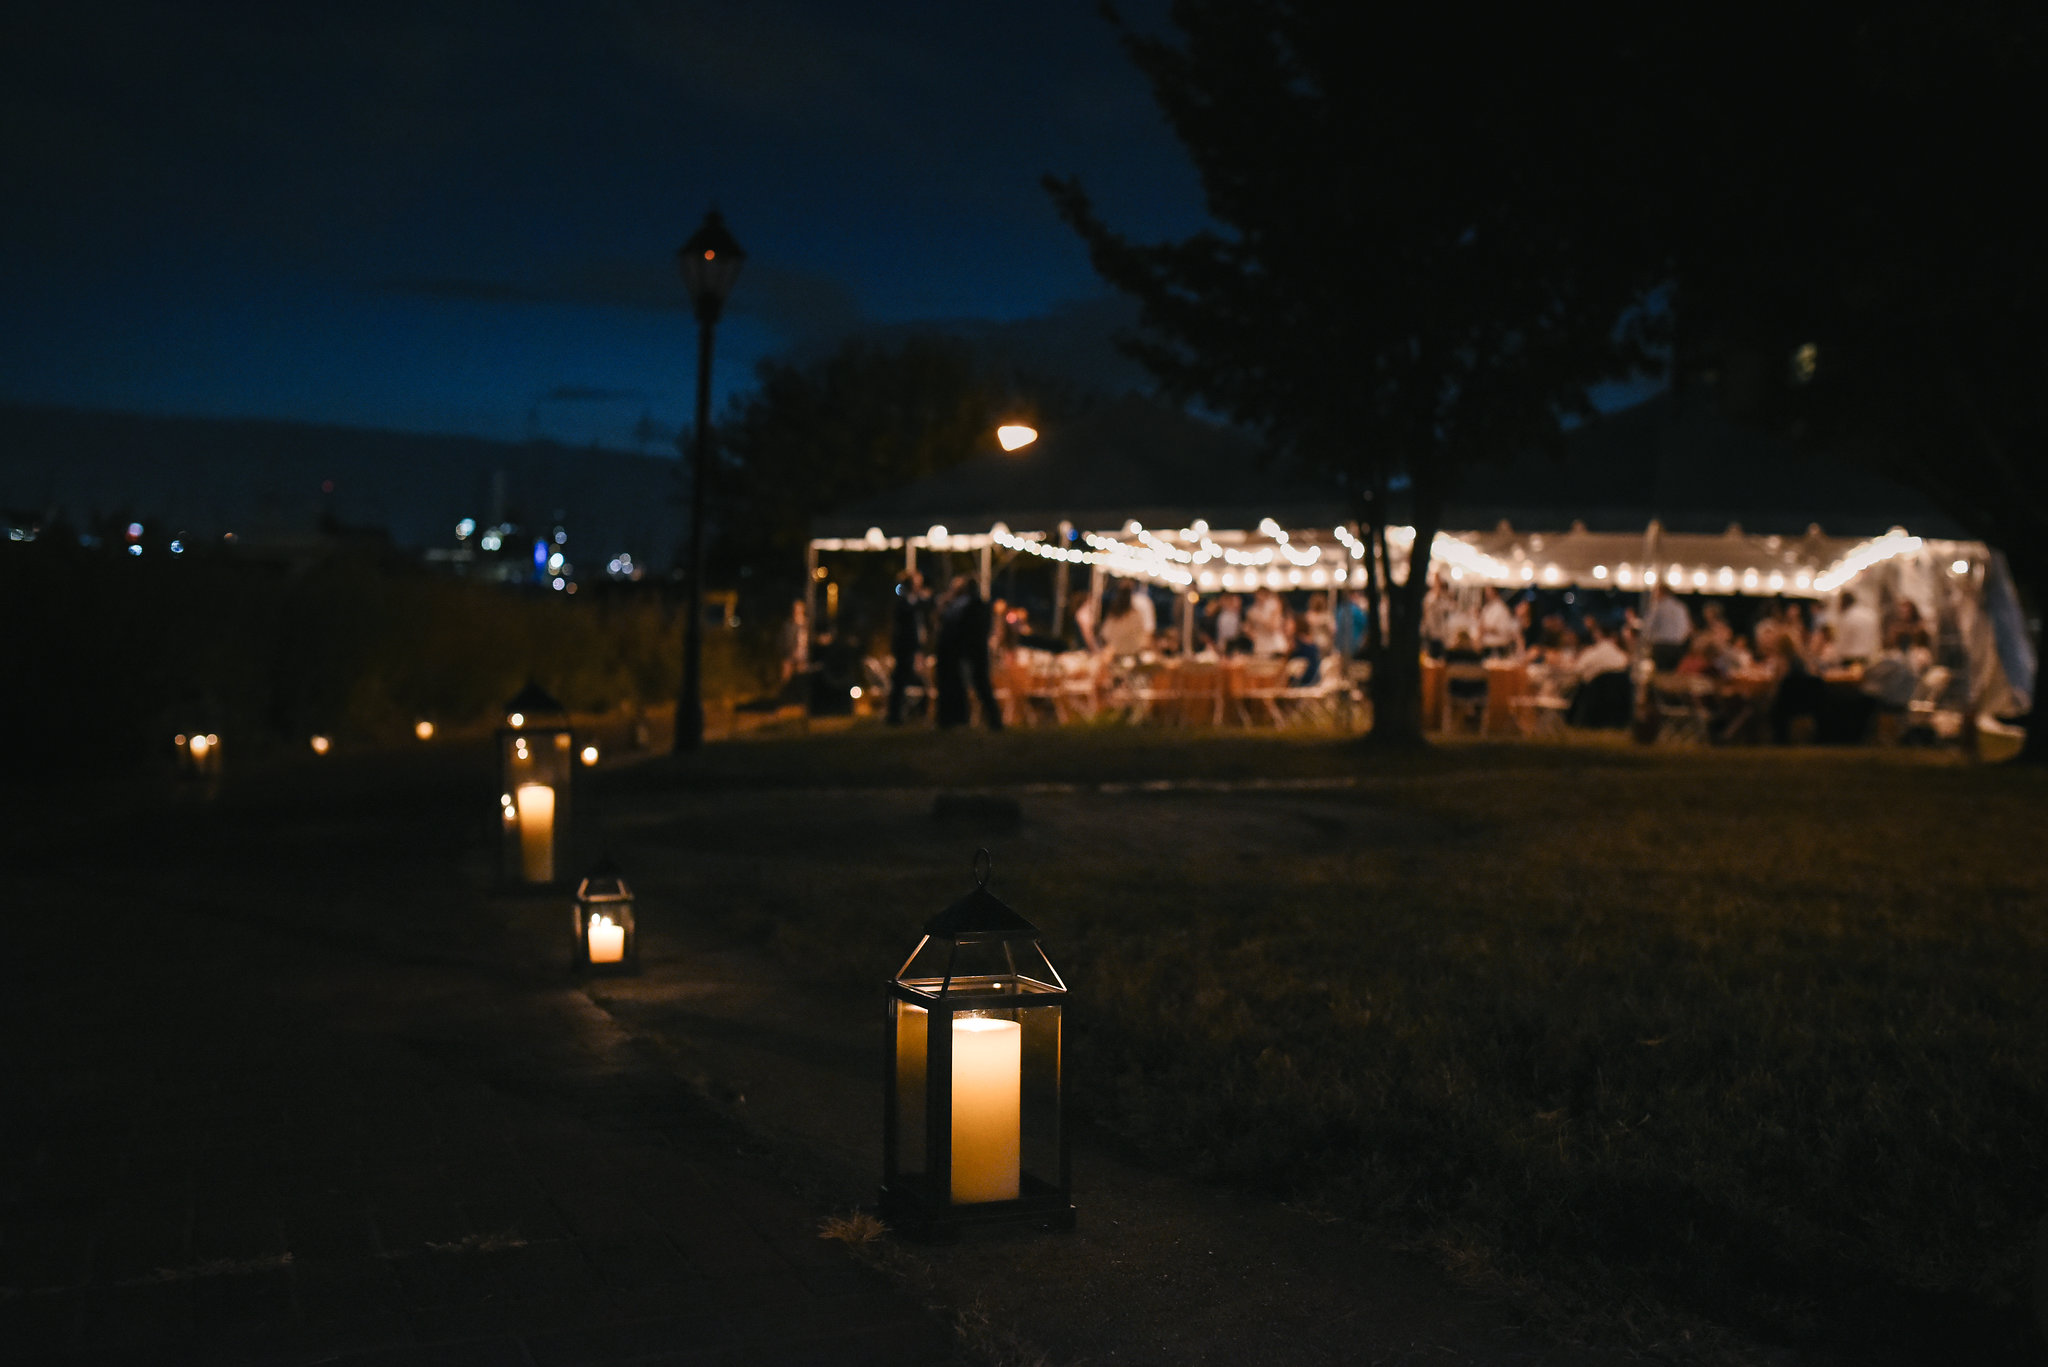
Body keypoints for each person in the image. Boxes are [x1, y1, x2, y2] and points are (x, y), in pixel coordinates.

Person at [886, 571, 928, 725]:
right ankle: (895, 715)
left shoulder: (911, 602)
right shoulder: (904, 602)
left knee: (905, 680)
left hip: (912, 647)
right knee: (901, 680)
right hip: (905, 648)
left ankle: (906, 713)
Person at [1644, 584, 1692, 671]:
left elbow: (1648, 627)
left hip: (1660, 646)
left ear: (1661, 593)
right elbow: (1686, 628)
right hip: (1676, 647)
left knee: (1661, 674)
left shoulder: (1657, 607)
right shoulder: (1680, 607)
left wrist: (1648, 641)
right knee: (1673, 674)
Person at [1098, 581, 1150, 656]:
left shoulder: (1114, 613)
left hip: (1117, 655)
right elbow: (1141, 638)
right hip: (1129, 655)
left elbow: (1105, 634)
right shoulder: (1135, 614)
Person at [1835, 590, 1881, 663]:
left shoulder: (1847, 617)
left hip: (1850, 658)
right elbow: (1876, 637)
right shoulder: (1870, 613)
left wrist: (1836, 656)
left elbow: (1842, 640)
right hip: (1867, 657)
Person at [1478, 587, 1520, 657]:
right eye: (1486, 592)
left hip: (1498, 647)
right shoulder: (1487, 608)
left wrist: (1488, 629)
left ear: (1495, 591)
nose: (1486, 594)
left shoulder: (1502, 609)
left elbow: (1505, 630)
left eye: (1488, 591)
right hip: (1486, 646)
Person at [1246, 587, 1289, 656]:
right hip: (1261, 647)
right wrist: (1253, 635)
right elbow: (1248, 628)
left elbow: (1273, 627)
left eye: (1261, 595)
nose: (1259, 597)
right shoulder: (1252, 610)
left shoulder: (1274, 606)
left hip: (1275, 647)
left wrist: (1259, 619)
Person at [1287, 613, 1323, 684]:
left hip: (1304, 680)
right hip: (1314, 678)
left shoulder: (1297, 642)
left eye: (1290, 624)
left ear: (1296, 626)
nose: (1287, 626)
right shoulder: (1307, 640)